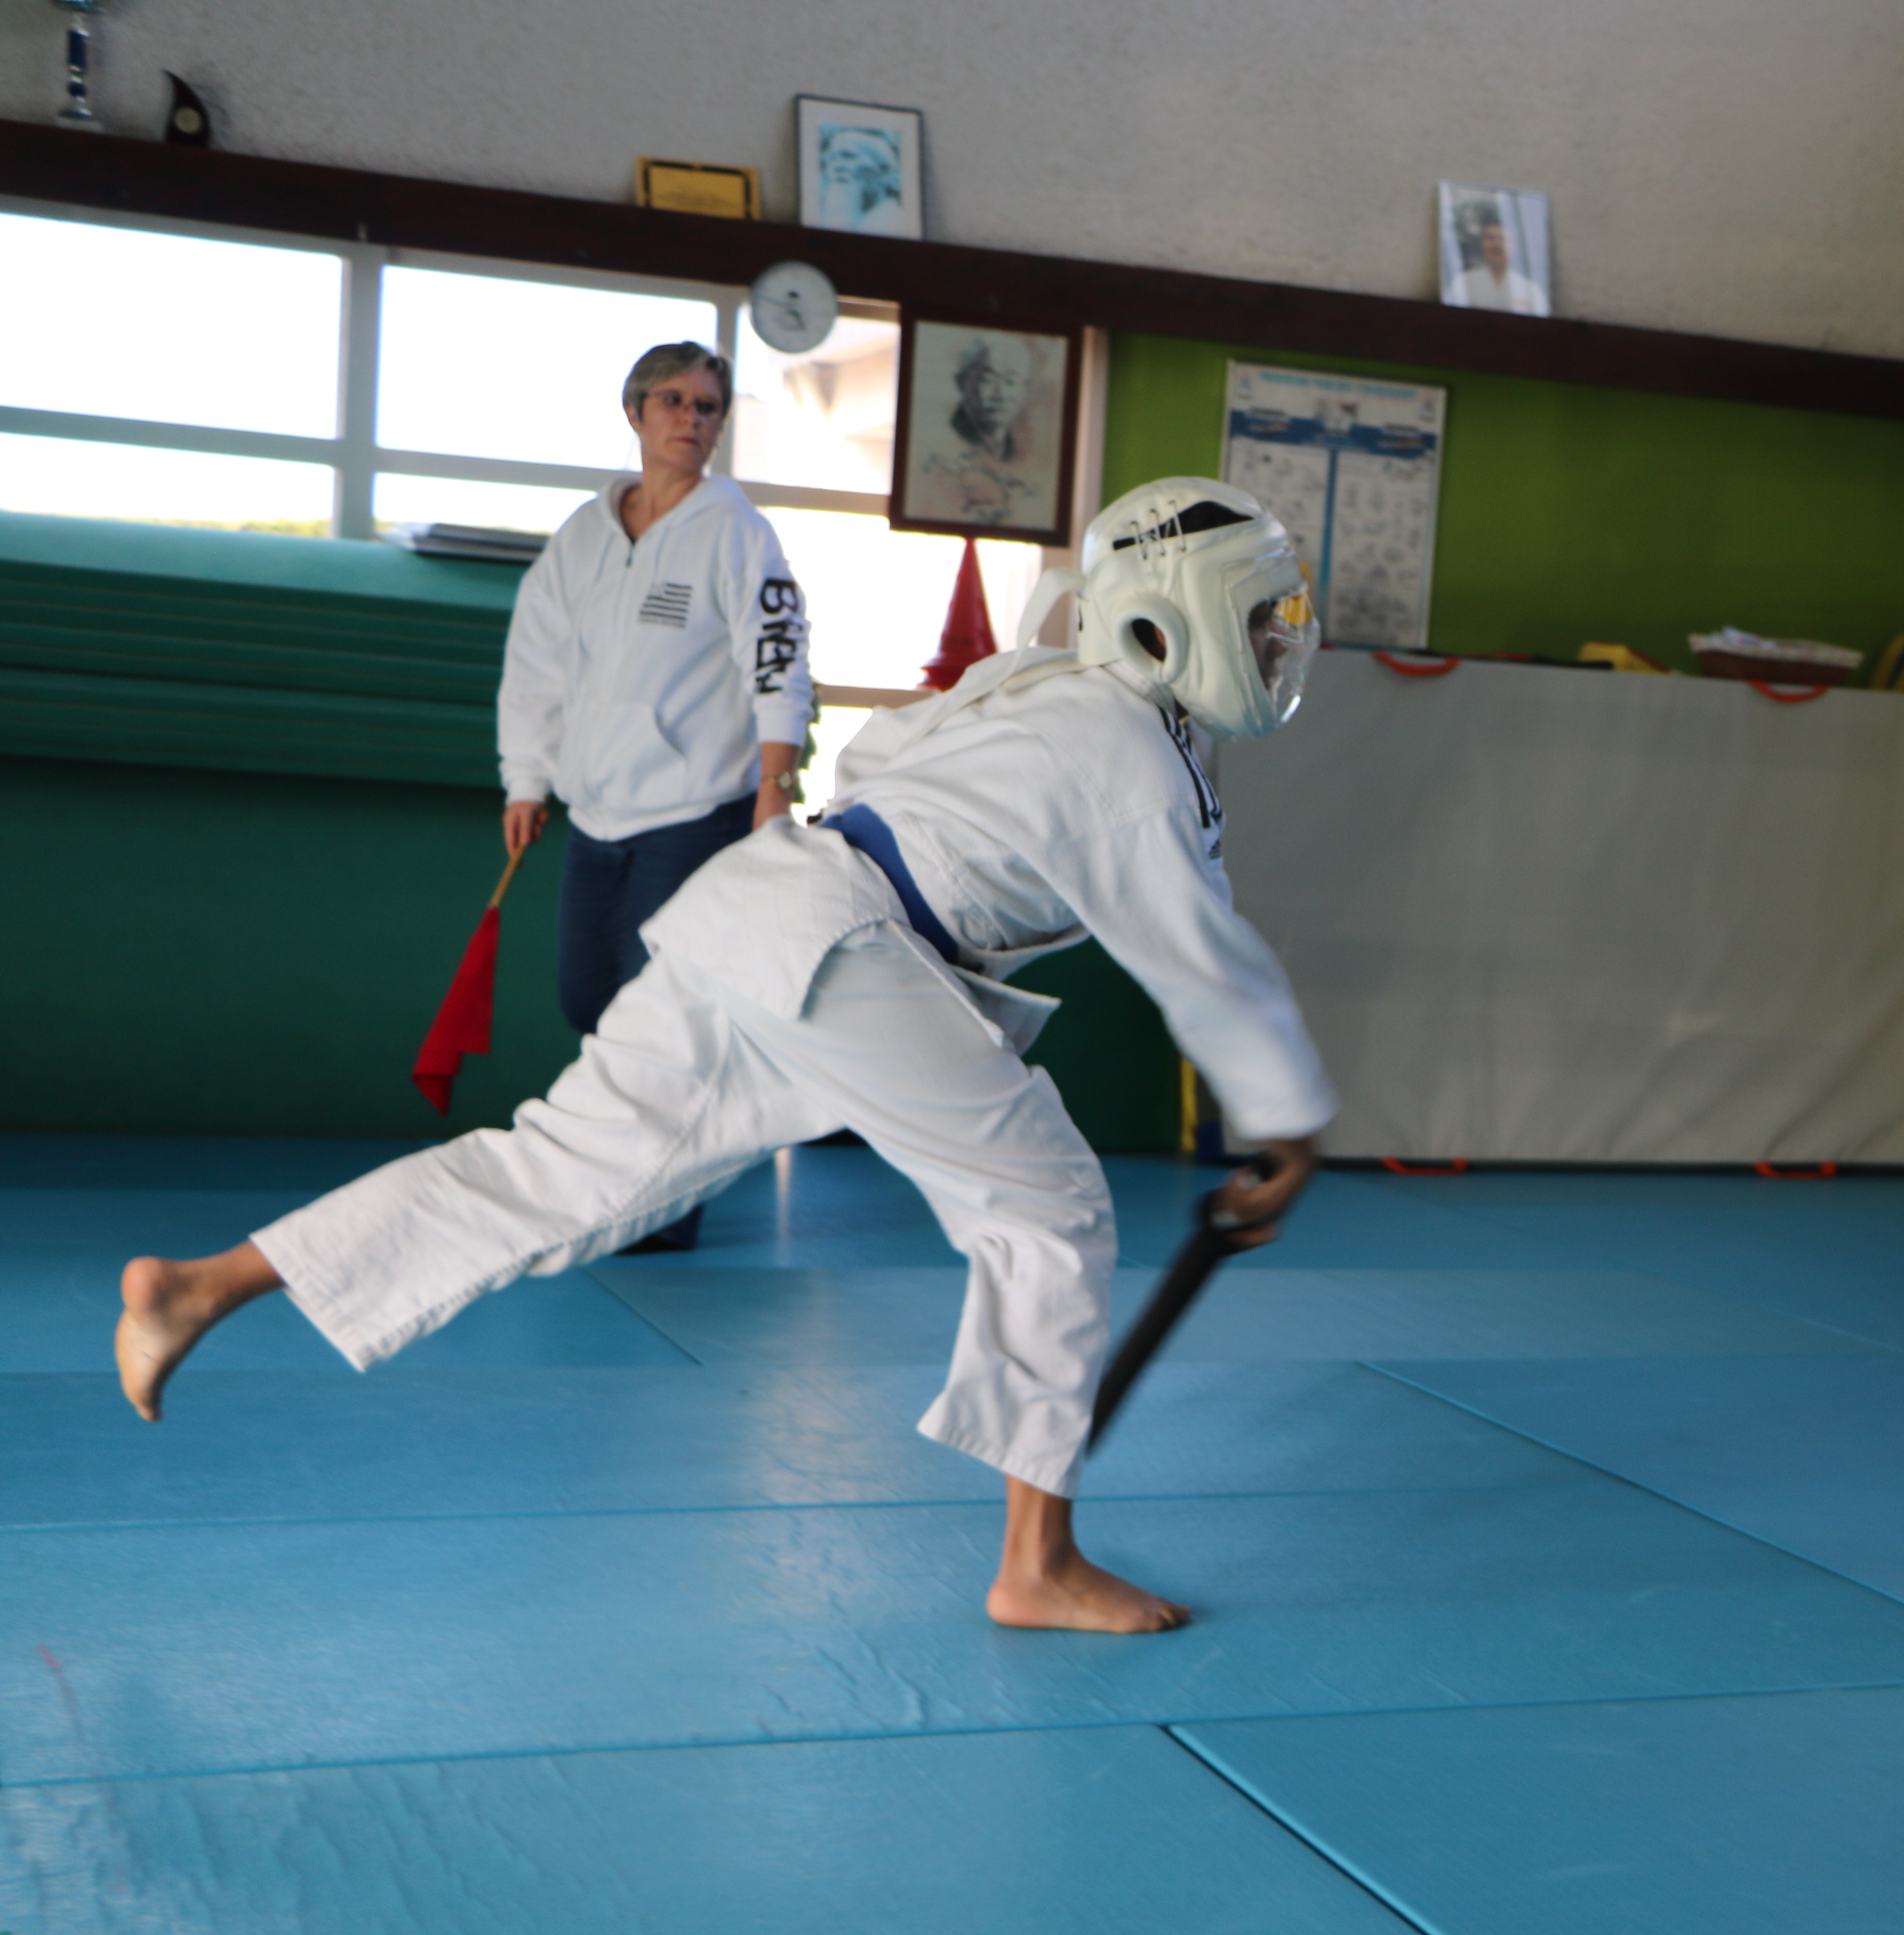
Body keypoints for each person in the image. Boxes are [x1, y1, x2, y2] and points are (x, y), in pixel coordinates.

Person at [114, 478, 1337, 1636]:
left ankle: (204, 1285)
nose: (1276, 643)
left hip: (773, 905)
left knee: (547, 1172)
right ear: (1172, 618)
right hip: (851, 950)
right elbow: (1204, 960)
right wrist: (1286, 1122)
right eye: (1257, 617)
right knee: (1048, 1205)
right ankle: (1037, 1563)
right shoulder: (1129, 751)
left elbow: (881, 761)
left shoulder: (1039, 687)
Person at [501, 339, 814, 1249]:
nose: (691, 418)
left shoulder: (738, 532)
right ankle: (637, 1167)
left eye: (707, 406)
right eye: (673, 401)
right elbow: (536, 660)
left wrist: (774, 784)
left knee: (662, 1015)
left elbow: (779, 660)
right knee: (588, 999)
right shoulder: (585, 536)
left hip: (697, 813)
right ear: (635, 414)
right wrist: (527, 777)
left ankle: (661, 1203)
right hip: (598, 816)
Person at [908, 332, 1055, 532]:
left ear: (1024, 390)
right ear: (963, 383)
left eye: (1011, 382)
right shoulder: (939, 452)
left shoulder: (1023, 457)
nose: (1000, 394)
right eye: (988, 380)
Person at [1446, 197, 1549, 316]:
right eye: (1490, 238)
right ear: (1482, 244)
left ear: (1514, 245)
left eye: (1502, 239)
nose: (1496, 244)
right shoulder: (1462, 283)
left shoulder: (1531, 290)